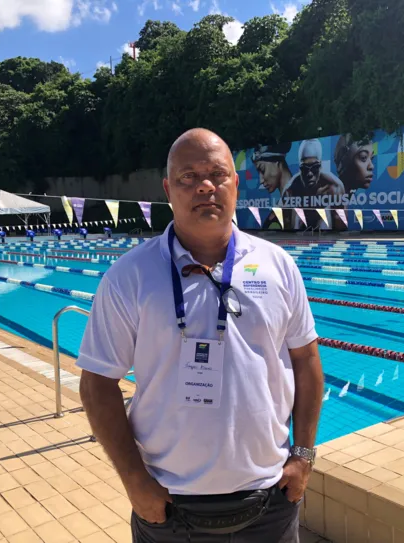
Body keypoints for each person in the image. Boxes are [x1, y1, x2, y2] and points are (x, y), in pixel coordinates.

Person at [78, 128, 323, 543]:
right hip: (170, 509)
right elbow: (97, 382)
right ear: (168, 188)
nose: (205, 186)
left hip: (270, 502)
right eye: (188, 176)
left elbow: (306, 361)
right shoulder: (130, 276)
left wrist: (303, 455)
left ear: (236, 184)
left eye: (216, 173)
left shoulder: (277, 265)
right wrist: (135, 482)